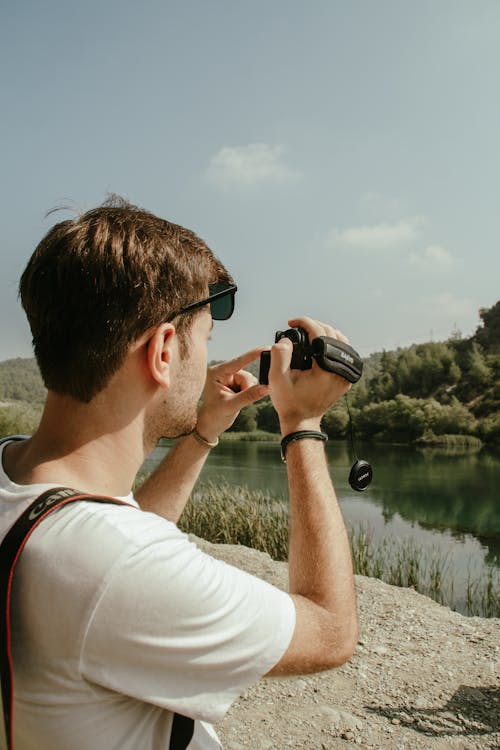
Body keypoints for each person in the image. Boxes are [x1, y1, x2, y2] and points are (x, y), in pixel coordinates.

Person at [0, 197, 358, 750]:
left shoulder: (21, 481)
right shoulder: (112, 565)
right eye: (205, 338)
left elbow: (119, 528)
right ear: (165, 349)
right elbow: (330, 631)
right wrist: (303, 424)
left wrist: (202, 431)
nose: (208, 358)